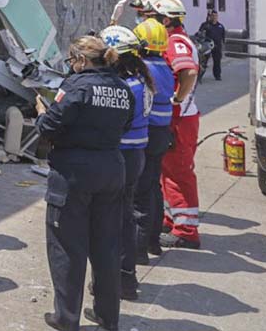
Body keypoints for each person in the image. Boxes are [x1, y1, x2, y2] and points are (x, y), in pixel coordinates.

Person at [35, 36, 136, 331]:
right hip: (111, 168)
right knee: (106, 245)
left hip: (74, 173)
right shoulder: (122, 88)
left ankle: (66, 318)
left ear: (80, 60)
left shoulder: (76, 86)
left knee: (67, 245)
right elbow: (126, 124)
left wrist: (42, 112)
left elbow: (50, 126)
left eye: (71, 61)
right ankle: (108, 316)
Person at [96, 26, 152, 301]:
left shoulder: (124, 87)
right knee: (124, 215)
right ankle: (125, 279)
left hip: (122, 155)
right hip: (136, 154)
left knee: (113, 220)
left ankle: (117, 280)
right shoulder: (140, 80)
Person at [152, 0, 202, 250]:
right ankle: (172, 220)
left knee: (178, 173)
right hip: (180, 118)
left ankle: (186, 230)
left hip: (179, 120)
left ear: (167, 20)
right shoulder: (176, 39)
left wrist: (175, 100)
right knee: (167, 173)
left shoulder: (176, 42)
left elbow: (189, 72)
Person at [132, 19, 175, 264]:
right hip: (161, 133)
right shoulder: (164, 67)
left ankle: (138, 249)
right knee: (152, 187)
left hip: (146, 134)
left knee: (138, 194)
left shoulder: (143, 69)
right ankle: (153, 241)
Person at [197, 10, 227, 81]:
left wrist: (223, 46)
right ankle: (199, 76)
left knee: (217, 62)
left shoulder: (220, 26)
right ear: (209, 16)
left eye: (215, 16)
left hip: (217, 46)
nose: (214, 17)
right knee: (203, 62)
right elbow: (199, 34)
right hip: (207, 46)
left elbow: (223, 38)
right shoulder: (205, 25)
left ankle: (217, 75)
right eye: (212, 16)